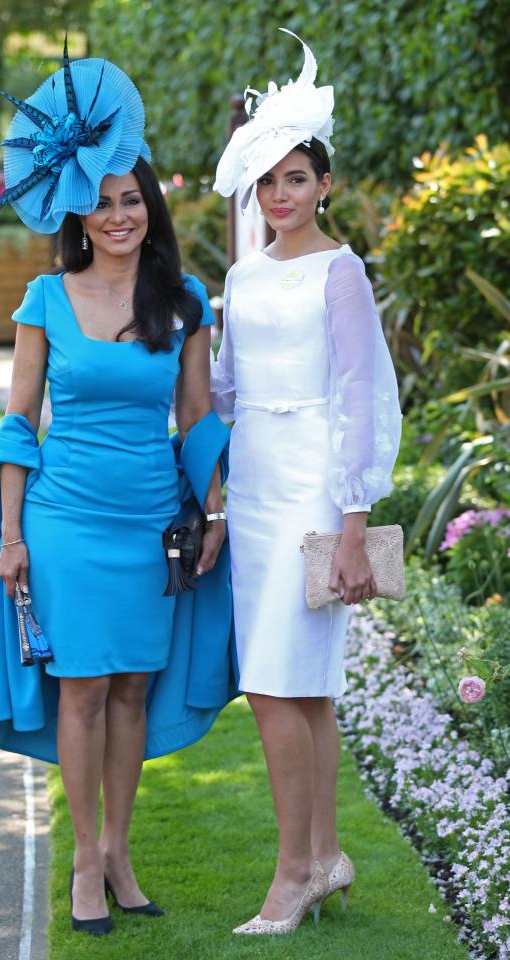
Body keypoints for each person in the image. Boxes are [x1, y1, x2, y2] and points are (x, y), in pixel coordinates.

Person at [0, 42, 230, 937]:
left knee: (130, 693)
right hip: (66, 522)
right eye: (104, 202)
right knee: (80, 688)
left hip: (150, 522)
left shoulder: (185, 301)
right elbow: (17, 425)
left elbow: (195, 421)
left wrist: (218, 511)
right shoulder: (45, 297)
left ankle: (120, 851)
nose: (119, 216)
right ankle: (84, 860)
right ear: (79, 210)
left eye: (133, 201)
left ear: (150, 209)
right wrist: (9, 537)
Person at [212, 31, 402, 936]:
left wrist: (353, 525)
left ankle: (291, 877)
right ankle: (324, 857)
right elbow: (222, 387)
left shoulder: (340, 273)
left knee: (279, 684)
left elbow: (358, 401)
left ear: (322, 183)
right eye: (268, 181)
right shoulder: (242, 275)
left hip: (311, 498)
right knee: (303, 689)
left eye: (296, 178)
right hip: (250, 492)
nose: (280, 195)